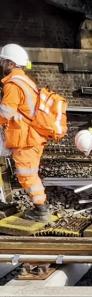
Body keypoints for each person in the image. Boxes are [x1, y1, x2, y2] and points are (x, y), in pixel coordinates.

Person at [0, 44, 50, 222]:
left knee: (27, 175)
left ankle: (41, 210)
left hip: (24, 138)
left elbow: (5, 112)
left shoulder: (13, 85)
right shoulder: (26, 81)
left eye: (3, 61)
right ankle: (40, 208)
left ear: (10, 63)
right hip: (30, 136)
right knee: (29, 174)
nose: (1, 64)